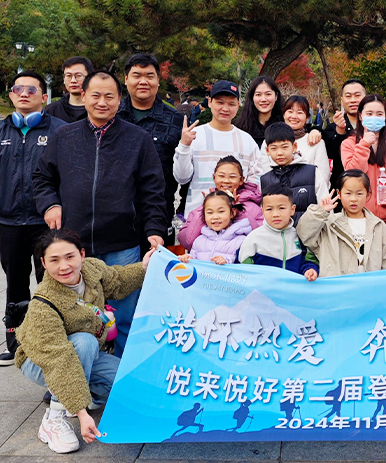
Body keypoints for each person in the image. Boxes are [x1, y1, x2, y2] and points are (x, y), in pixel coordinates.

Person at [33, 70, 167, 358]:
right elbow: (42, 177)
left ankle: (121, 373)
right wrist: (50, 204)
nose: (102, 102)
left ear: (120, 100)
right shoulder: (64, 136)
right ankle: (74, 369)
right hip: (74, 244)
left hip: (122, 243)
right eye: (95, 95)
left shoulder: (138, 139)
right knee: (71, 316)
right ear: (83, 96)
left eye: (109, 96)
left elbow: (153, 190)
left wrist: (155, 230)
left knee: (126, 315)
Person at [15, 228, 155, 453]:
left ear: (81, 254)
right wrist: (82, 414)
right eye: (54, 260)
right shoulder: (43, 303)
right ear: (43, 263)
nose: (64, 266)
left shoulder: (91, 269)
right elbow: (59, 359)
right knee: (84, 341)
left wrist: (145, 267)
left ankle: (79, 396)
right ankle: (54, 418)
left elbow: (118, 280)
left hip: (85, 353)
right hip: (40, 362)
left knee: (126, 384)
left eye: (70, 257)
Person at [0, 71, 67, 366]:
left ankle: (52, 343)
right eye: (18, 89)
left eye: (31, 90)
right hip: (9, 223)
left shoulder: (60, 130)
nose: (24, 94)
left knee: (51, 282)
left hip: (46, 223)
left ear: (44, 97)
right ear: (11, 95)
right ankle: (17, 344)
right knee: (15, 284)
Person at [117, 53, 185, 248]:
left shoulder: (176, 120)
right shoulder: (113, 116)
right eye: (137, 75)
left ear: (158, 80)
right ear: (126, 79)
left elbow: (184, 166)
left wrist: (181, 211)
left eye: (149, 76)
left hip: (158, 214)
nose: (143, 81)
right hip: (116, 215)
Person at [173, 80, 264, 214]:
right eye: (220, 102)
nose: (225, 109)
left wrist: (237, 205)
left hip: (237, 218)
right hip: (199, 215)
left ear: (238, 105)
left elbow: (255, 182)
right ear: (210, 102)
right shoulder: (194, 135)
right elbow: (181, 177)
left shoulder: (247, 140)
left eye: (231, 104)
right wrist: (184, 146)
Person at [298, 170, 386, 276]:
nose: (353, 199)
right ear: (339, 194)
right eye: (348, 193)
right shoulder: (329, 223)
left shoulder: (378, 226)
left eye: (359, 194)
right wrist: (320, 212)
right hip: (337, 285)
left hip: (370, 285)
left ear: (368, 195)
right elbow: (304, 234)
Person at [178, 155, 263, 250]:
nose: (226, 181)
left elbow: (260, 241)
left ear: (241, 180)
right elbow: (188, 242)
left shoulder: (253, 208)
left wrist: (239, 209)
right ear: (214, 177)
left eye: (232, 177)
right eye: (221, 176)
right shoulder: (201, 208)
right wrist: (205, 208)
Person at [341, 94, 386, 229]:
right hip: (361, 219)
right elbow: (353, 175)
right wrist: (364, 144)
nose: (374, 117)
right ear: (361, 116)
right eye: (369, 113)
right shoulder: (349, 143)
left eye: (379, 114)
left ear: (385, 117)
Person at [239, 183, 319, 281]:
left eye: (281, 208)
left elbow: (309, 260)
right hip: (263, 290)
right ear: (262, 211)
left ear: (292, 210)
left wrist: (310, 270)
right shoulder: (253, 238)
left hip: (293, 289)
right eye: (269, 209)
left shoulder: (299, 235)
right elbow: (243, 271)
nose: (275, 214)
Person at [260, 123, 328, 224]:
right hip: (278, 233)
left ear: (294, 147)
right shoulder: (265, 179)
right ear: (267, 151)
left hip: (310, 231)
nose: (279, 153)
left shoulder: (312, 173)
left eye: (284, 147)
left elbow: (325, 207)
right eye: (274, 148)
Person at [260, 95, 329, 182]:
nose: (294, 116)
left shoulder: (316, 142)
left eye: (299, 112)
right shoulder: (270, 141)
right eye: (290, 111)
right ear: (284, 114)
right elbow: (265, 175)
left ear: (307, 117)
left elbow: (323, 177)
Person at [177, 191, 251, 264]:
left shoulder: (242, 241)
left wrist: (228, 261)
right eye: (210, 212)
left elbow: (247, 264)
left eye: (221, 211)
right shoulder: (199, 240)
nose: (215, 217)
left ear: (232, 213)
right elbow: (194, 259)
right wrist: (188, 258)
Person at [322, 79, 366, 190]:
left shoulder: (374, 127)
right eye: (348, 96)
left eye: (357, 95)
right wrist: (340, 132)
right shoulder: (332, 128)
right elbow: (331, 155)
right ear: (342, 100)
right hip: (342, 188)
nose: (353, 100)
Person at [234, 76, 285, 147]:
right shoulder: (240, 129)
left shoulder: (285, 125)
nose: (263, 99)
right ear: (252, 97)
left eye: (268, 94)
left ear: (276, 96)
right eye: (258, 94)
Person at [44, 57, 93, 123]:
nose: (73, 80)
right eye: (68, 76)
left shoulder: (98, 108)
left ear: (90, 78)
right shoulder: (52, 110)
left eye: (78, 76)